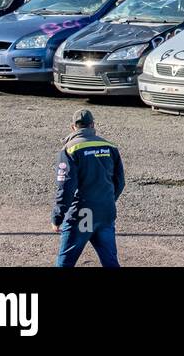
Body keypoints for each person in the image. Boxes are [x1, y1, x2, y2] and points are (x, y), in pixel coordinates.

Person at [52, 109, 124, 268]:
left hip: (83, 214)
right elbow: (120, 182)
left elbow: (66, 187)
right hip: (106, 211)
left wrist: (58, 217)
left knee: (65, 262)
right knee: (111, 262)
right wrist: (106, 200)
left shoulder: (70, 150)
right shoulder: (110, 147)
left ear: (73, 128)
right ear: (93, 125)